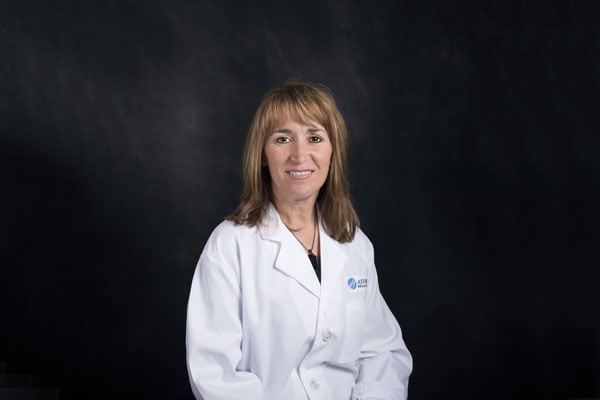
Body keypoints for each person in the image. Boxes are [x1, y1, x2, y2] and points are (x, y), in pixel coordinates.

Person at [186, 81, 412, 400]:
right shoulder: (229, 246)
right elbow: (215, 375)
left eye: (315, 138)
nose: (299, 155)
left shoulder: (354, 243)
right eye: (283, 139)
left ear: (333, 151)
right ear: (263, 154)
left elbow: (381, 354)